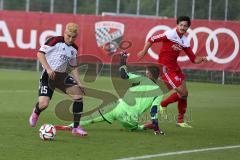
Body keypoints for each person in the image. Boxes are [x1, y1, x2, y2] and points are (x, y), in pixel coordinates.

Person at [56, 53, 165, 135]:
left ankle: (71, 126)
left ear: (147, 73)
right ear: (158, 77)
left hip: (117, 107)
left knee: (92, 117)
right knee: (134, 129)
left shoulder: (141, 79)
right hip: (130, 118)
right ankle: (144, 127)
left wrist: (122, 61)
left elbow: (123, 75)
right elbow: (153, 111)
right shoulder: (159, 93)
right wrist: (157, 129)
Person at [138, 16, 208, 128]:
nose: (183, 27)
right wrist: (143, 51)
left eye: (185, 26)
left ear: (188, 27)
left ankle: (180, 120)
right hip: (165, 68)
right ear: (177, 25)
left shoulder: (185, 40)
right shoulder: (170, 34)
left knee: (184, 94)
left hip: (175, 68)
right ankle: (162, 105)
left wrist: (202, 59)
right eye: (181, 25)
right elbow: (152, 39)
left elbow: (193, 59)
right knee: (181, 92)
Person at [29, 22, 87, 136]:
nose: (70, 39)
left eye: (73, 37)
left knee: (78, 95)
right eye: (68, 36)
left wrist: (79, 82)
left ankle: (76, 128)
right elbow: (40, 54)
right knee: (44, 104)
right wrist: (49, 69)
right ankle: (36, 112)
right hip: (48, 76)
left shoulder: (74, 48)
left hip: (62, 77)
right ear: (64, 33)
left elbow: (73, 66)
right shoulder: (54, 41)